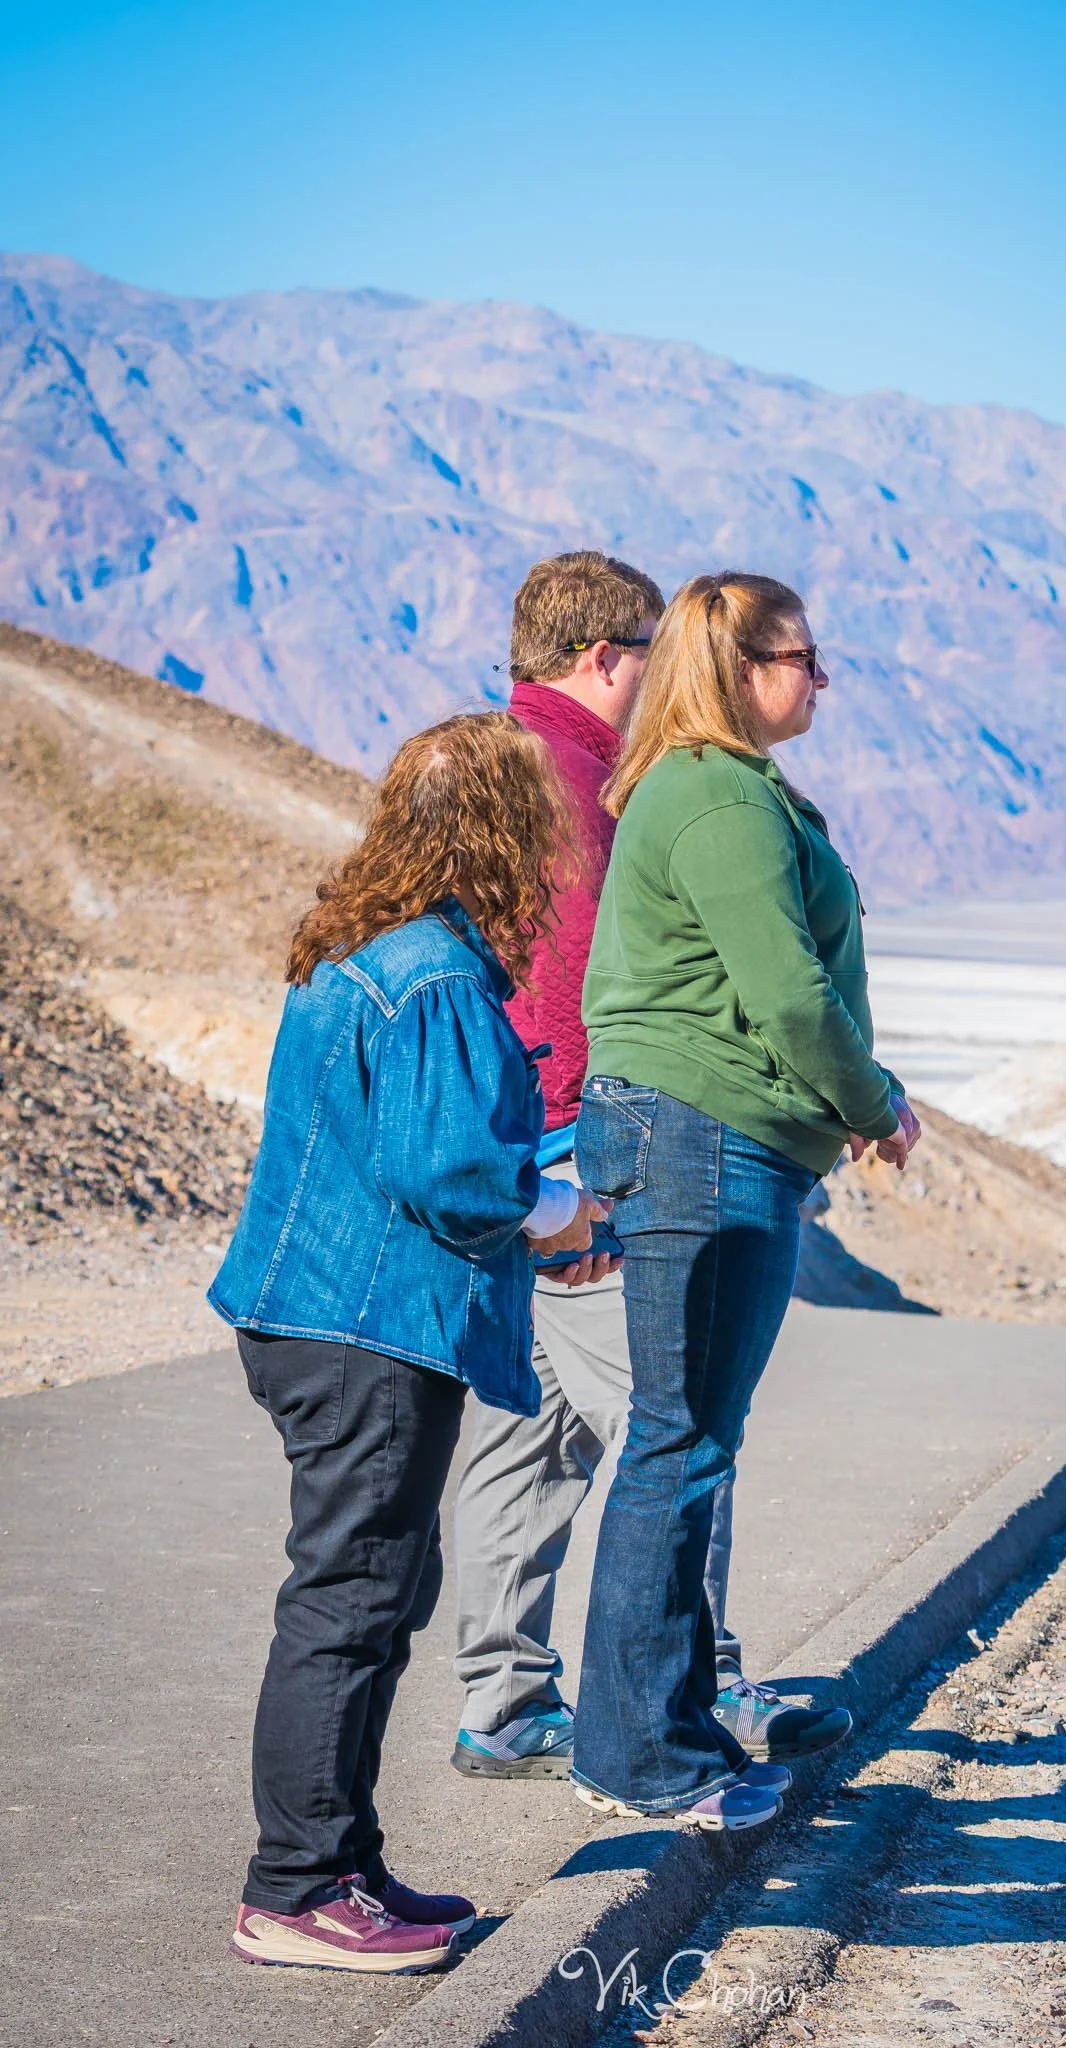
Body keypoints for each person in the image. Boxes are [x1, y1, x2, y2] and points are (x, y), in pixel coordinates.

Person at [208, 712, 606, 1974]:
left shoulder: (362, 950)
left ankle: (344, 1860)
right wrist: (559, 1206)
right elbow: (448, 1174)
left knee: (373, 1594)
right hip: (368, 1328)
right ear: (500, 829)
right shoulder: (433, 973)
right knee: (349, 1599)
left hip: (320, 1316)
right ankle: (297, 1883)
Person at [452, 552, 849, 1777]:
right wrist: (592, 1138)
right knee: (675, 1427)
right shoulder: (583, 782)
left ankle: (505, 1697)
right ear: (608, 657)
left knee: (537, 1422)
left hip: (502, 1141)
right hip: (580, 1141)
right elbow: (577, 981)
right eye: (650, 646)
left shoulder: (482, 759)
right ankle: (690, 1692)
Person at [570, 572, 921, 1831]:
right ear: (738, 667)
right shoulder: (717, 794)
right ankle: (636, 1755)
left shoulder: (730, 785)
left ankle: (668, 1727)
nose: (820, 678)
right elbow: (783, 993)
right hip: (700, 1141)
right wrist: (875, 1100)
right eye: (803, 657)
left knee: (686, 1436)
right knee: (677, 1440)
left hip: (714, 1137)